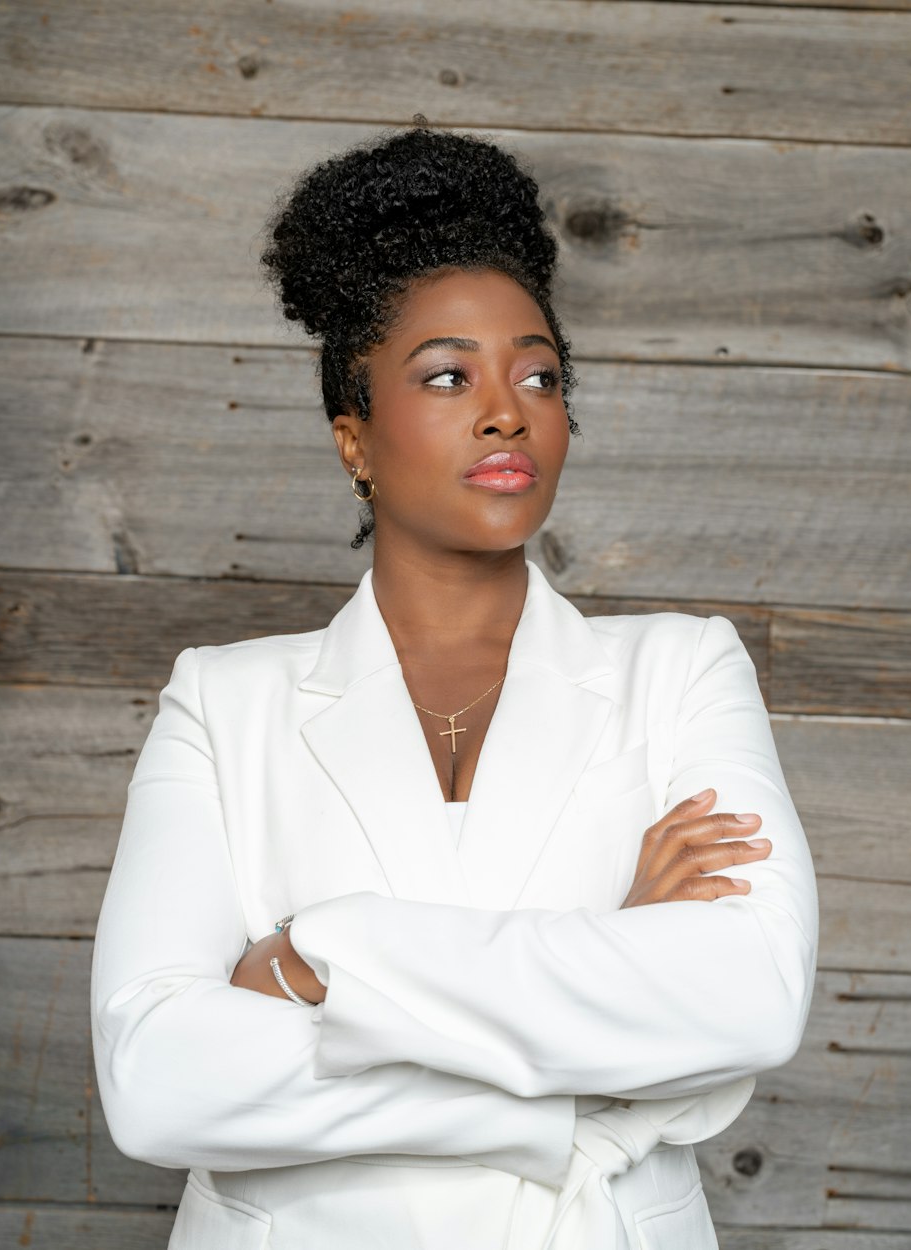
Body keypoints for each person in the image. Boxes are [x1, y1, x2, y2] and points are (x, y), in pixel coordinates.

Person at [91, 122, 818, 1250]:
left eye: (539, 372)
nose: (505, 407)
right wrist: (599, 990)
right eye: (446, 375)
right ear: (354, 439)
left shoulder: (681, 668)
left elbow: (749, 991)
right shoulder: (222, 702)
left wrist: (319, 952)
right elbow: (156, 1079)